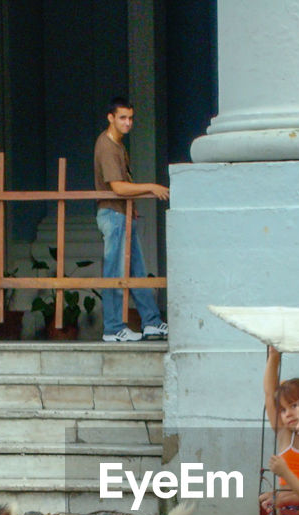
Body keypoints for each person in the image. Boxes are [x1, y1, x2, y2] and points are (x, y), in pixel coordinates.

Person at [94, 96, 169, 342]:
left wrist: (132, 206)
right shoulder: (106, 145)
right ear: (111, 118)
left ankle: (151, 322)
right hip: (113, 215)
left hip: (123, 215)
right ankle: (113, 327)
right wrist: (151, 187)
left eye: (131, 118)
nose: (128, 123)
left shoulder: (118, 145)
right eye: (123, 118)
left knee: (136, 271)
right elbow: (117, 187)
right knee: (114, 272)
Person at [262, 348, 299, 488]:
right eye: (282, 410)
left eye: (293, 406)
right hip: (285, 508)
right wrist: (273, 356)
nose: (288, 414)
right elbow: (269, 393)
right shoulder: (284, 434)